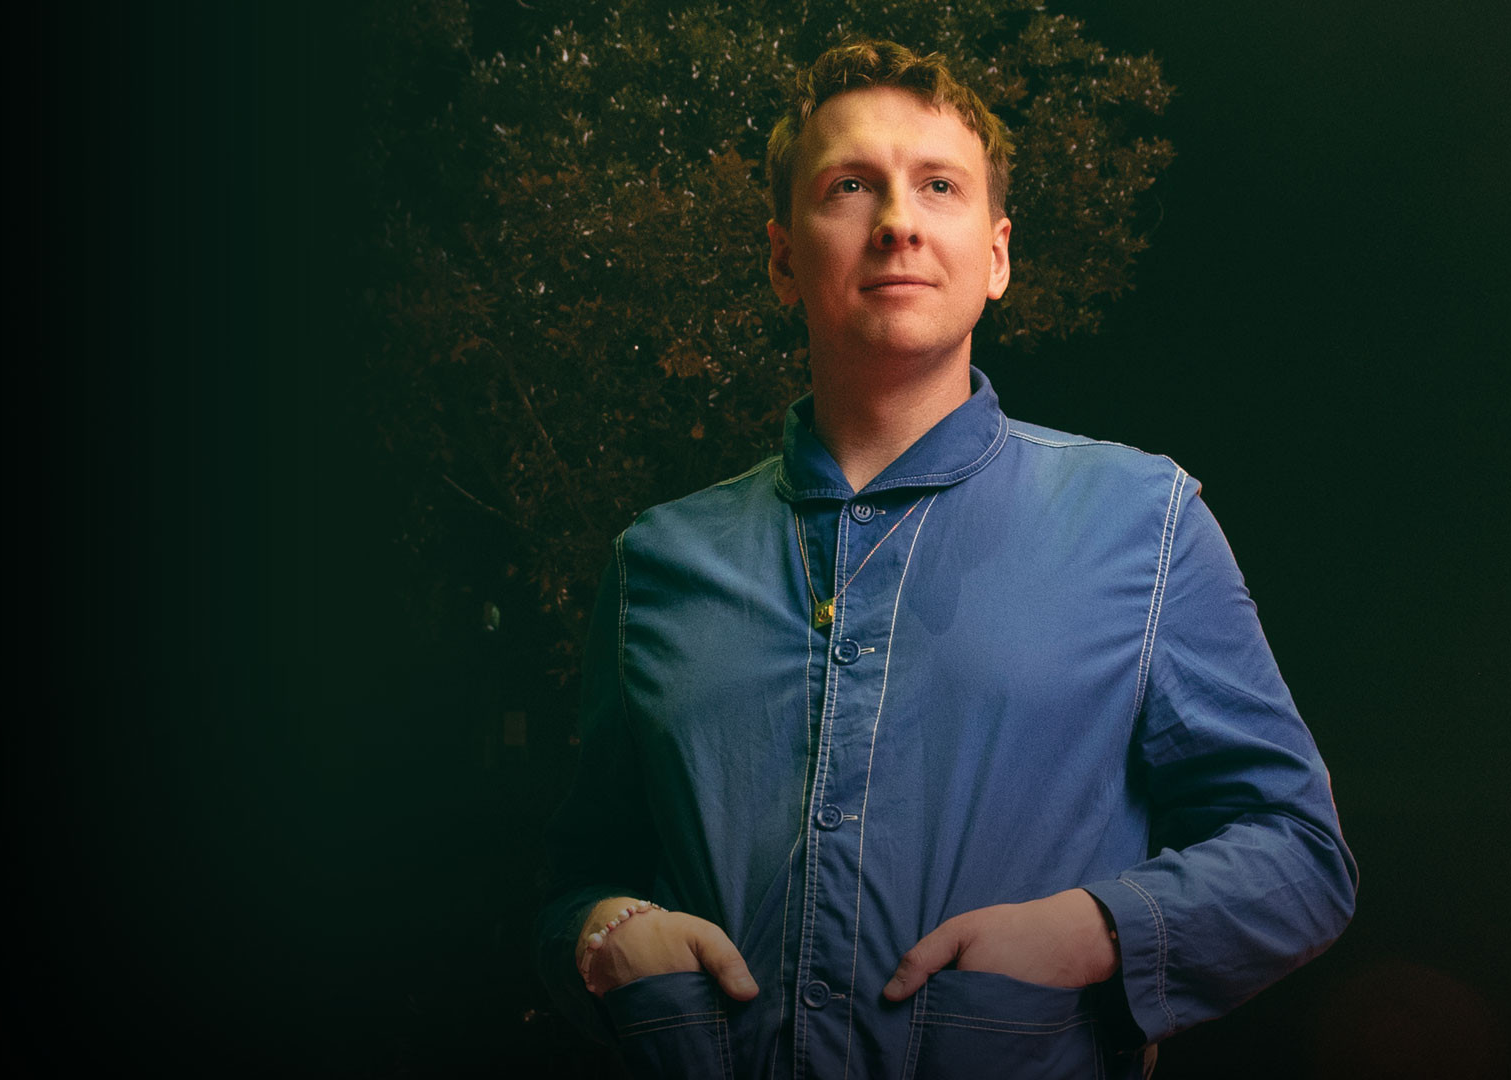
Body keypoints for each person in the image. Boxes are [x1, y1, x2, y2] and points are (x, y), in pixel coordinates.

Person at [535, 39, 1356, 1080]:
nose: (898, 221)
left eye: (938, 185)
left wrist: (1096, 930)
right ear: (784, 260)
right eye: (849, 186)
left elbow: (1300, 852)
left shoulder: (1143, 523)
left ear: (998, 256)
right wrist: (599, 936)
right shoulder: (656, 563)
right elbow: (576, 880)